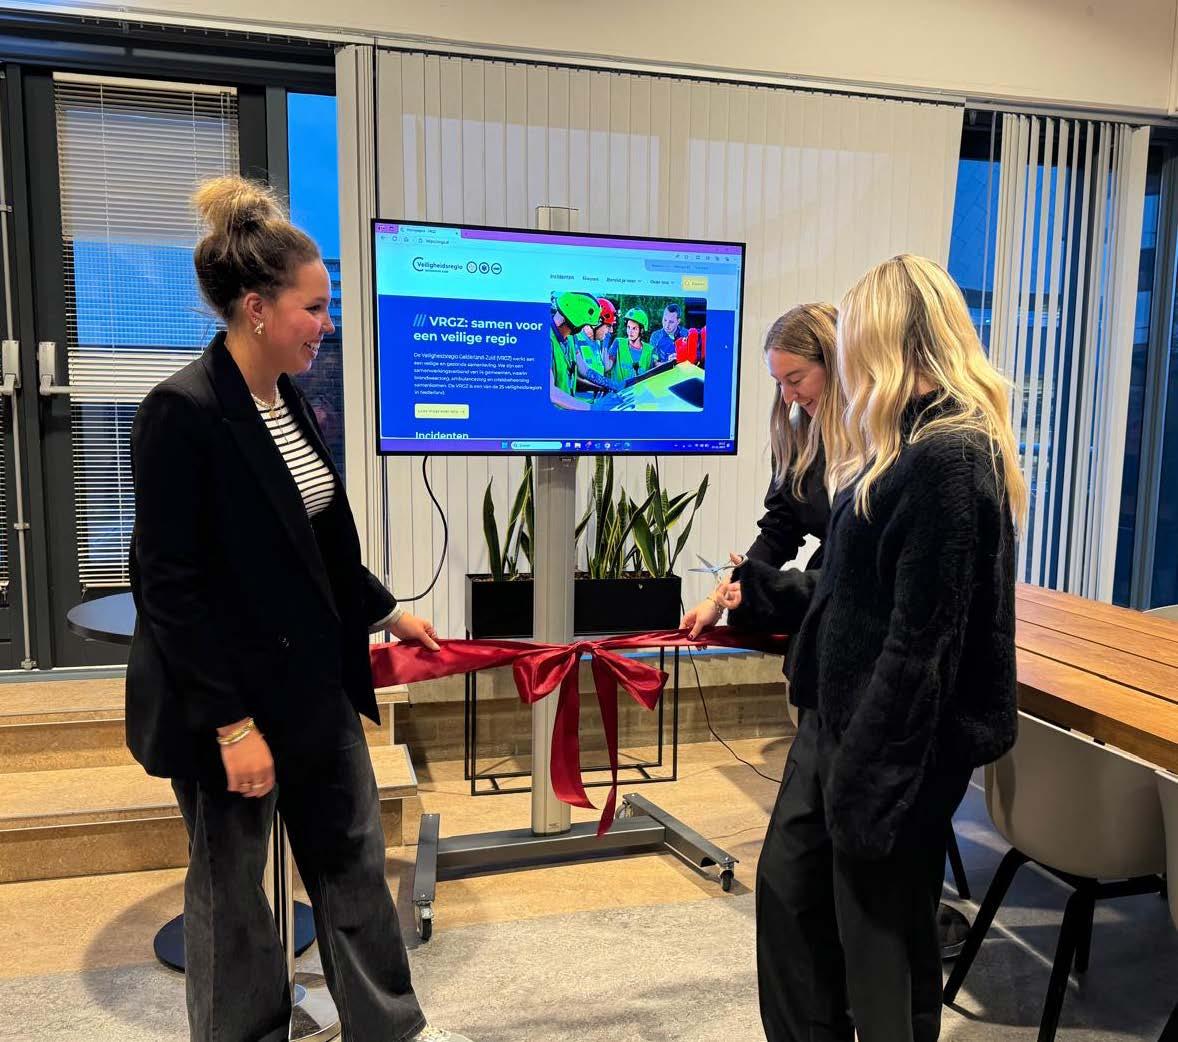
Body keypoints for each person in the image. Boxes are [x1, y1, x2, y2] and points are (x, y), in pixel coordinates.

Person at [125, 175, 472, 1042]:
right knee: (234, 897)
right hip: (230, 702)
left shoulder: (289, 400)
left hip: (315, 687)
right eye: (314, 308)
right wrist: (233, 726)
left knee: (353, 861)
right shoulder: (181, 411)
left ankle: (387, 1027)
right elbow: (169, 589)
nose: (326, 324)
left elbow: (317, 544)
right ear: (256, 309)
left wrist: (388, 613)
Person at [709, 255, 1027, 1042]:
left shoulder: (950, 455)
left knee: (879, 942)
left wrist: (868, 776)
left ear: (883, 340)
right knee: (791, 898)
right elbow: (849, 593)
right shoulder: (896, 444)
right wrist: (759, 596)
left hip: (887, 747)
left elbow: (922, 644)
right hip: (838, 722)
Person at [549, 290, 602, 410]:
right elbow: (551, 392)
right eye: (583, 325)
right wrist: (593, 408)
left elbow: (578, 373)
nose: (582, 329)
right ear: (574, 322)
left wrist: (601, 387)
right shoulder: (546, 341)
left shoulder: (570, 338)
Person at [615, 307, 656, 381]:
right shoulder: (618, 343)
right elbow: (606, 366)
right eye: (628, 327)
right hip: (619, 388)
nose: (630, 332)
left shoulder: (650, 350)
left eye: (634, 328)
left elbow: (657, 369)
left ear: (641, 330)